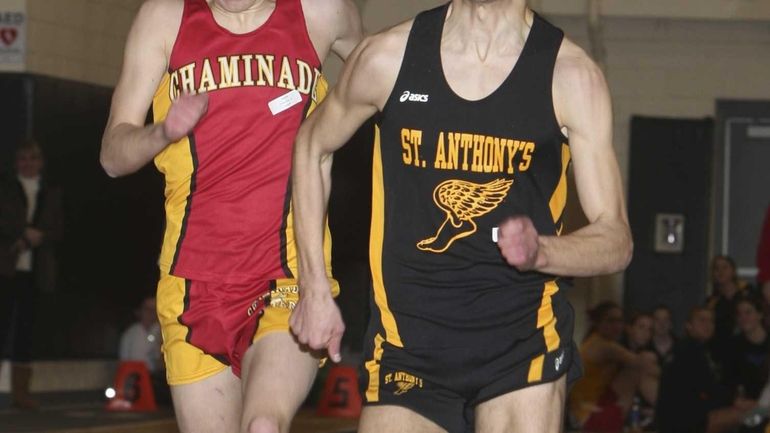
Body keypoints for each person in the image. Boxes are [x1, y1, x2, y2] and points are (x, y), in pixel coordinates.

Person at [291, 1, 633, 431]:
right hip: (408, 346)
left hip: (520, 344)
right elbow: (311, 146)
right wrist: (314, 289)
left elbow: (616, 239)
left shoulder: (571, 76)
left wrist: (542, 252)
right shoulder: (388, 57)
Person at [99, 1, 362, 432]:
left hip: (287, 274)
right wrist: (161, 132)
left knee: (263, 425)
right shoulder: (165, 18)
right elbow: (112, 154)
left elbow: (390, 83)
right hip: (193, 285)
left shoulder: (321, 11)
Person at [0, 141, 62, 410]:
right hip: (6, 268)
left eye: (33, 158)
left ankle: (21, 394)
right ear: (17, 163)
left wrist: (41, 236)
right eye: (23, 158)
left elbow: (59, 229)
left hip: (36, 273)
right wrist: (22, 235)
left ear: (41, 162)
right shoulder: (5, 189)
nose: (28, 163)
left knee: (26, 333)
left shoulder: (51, 193)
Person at [656, 306, 756, 433]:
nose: (708, 325)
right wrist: (737, 401)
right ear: (688, 326)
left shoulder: (688, 348)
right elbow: (709, 388)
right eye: (702, 320)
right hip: (683, 424)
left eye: (711, 321)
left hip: (679, 418)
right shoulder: (689, 350)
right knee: (752, 414)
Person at [569, 302, 659, 432]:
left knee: (640, 366)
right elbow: (644, 365)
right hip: (592, 416)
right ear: (598, 323)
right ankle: (667, 411)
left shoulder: (600, 342)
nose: (617, 326)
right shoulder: (602, 345)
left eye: (619, 321)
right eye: (611, 321)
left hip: (595, 409)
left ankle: (666, 410)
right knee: (642, 364)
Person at [707, 255, 751, 365]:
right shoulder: (711, 303)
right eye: (716, 268)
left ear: (733, 271)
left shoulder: (748, 293)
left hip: (749, 349)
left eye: (725, 267)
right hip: (724, 355)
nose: (720, 272)